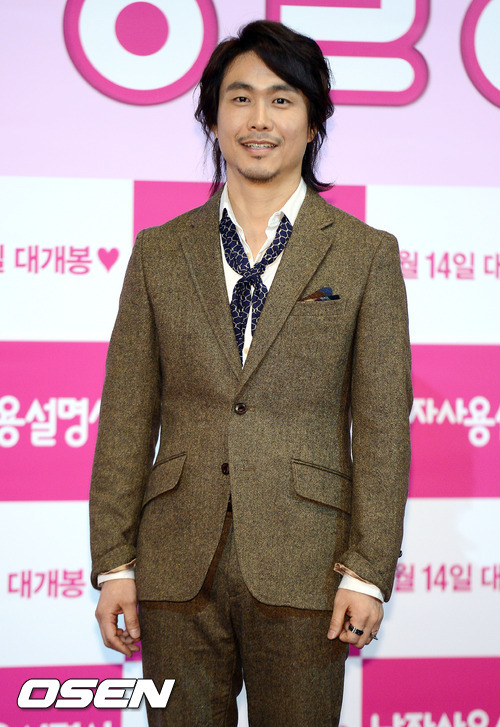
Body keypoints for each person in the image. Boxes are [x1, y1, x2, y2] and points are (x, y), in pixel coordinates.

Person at [89, 19, 412, 727]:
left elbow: (384, 426)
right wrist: (115, 563)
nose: (258, 119)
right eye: (239, 98)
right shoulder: (159, 251)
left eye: (281, 99)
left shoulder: (365, 254)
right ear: (211, 119)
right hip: (175, 563)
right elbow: (126, 414)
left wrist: (367, 570)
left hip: (310, 566)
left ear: (314, 123)